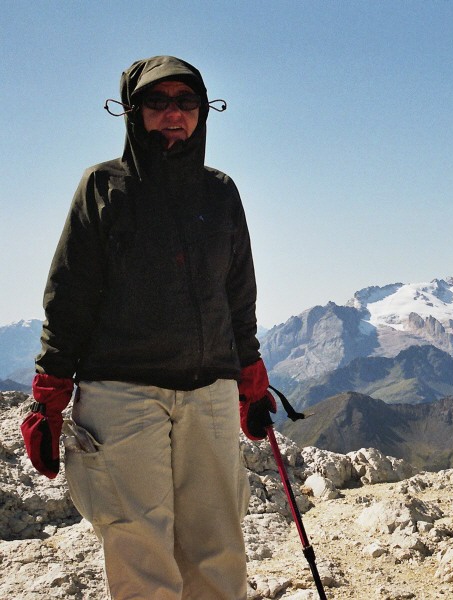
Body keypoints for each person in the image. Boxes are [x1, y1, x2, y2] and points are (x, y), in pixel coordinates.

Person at [20, 55, 277, 599]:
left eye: (187, 103)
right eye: (158, 103)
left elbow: (237, 293)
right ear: (133, 114)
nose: (174, 115)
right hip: (122, 393)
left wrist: (249, 374)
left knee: (219, 549)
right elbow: (69, 295)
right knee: (141, 551)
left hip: (209, 390)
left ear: (203, 113)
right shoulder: (103, 187)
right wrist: (49, 395)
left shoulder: (220, 192)